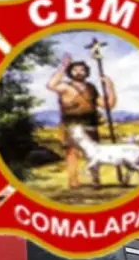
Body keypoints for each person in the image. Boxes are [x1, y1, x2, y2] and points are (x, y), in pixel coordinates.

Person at [47, 55, 116, 189]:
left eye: (82, 70)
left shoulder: (91, 88)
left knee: (94, 152)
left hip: (90, 123)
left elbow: (108, 105)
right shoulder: (65, 87)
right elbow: (51, 85)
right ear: (70, 72)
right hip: (70, 124)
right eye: (75, 70)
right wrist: (63, 66)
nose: (79, 72)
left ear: (86, 72)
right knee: (72, 152)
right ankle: (73, 181)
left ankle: (96, 180)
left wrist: (110, 87)